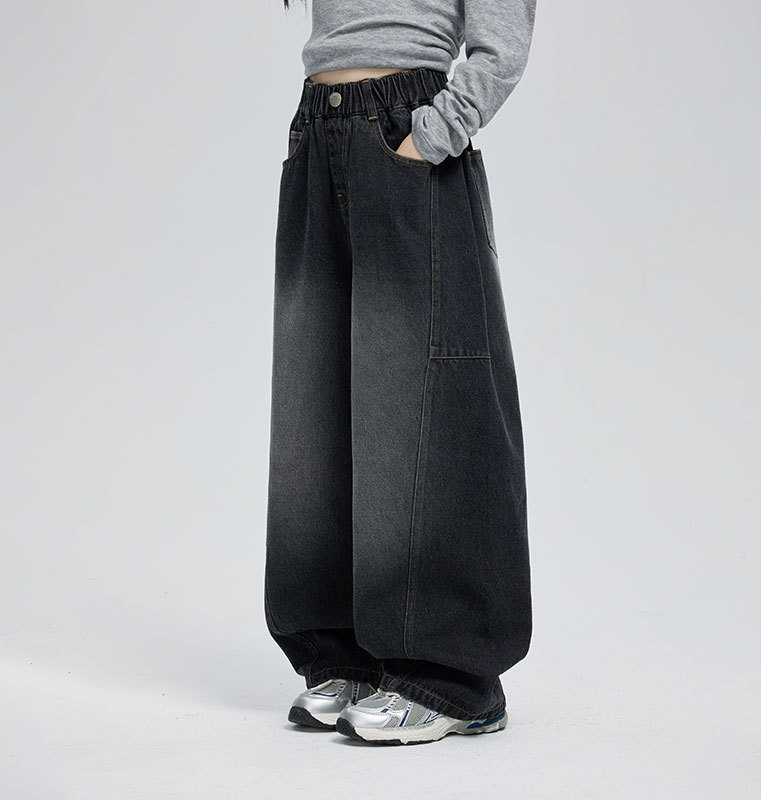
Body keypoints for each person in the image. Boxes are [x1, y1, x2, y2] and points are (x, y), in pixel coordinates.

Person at [263, 0, 538, 745]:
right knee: (317, 400)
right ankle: (344, 652)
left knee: (427, 401)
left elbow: (502, 44)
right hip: (319, 126)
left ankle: (453, 676)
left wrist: (432, 134)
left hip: (405, 128)